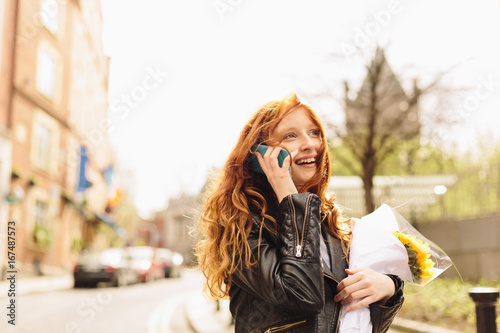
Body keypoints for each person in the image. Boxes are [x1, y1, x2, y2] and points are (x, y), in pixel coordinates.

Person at [196, 93, 404, 332]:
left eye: (314, 132)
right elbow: (302, 295)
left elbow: (361, 322)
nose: (310, 144)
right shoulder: (241, 224)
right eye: (290, 135)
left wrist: (389, 288)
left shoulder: (327, 219)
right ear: (260, 155)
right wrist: (288, 193)